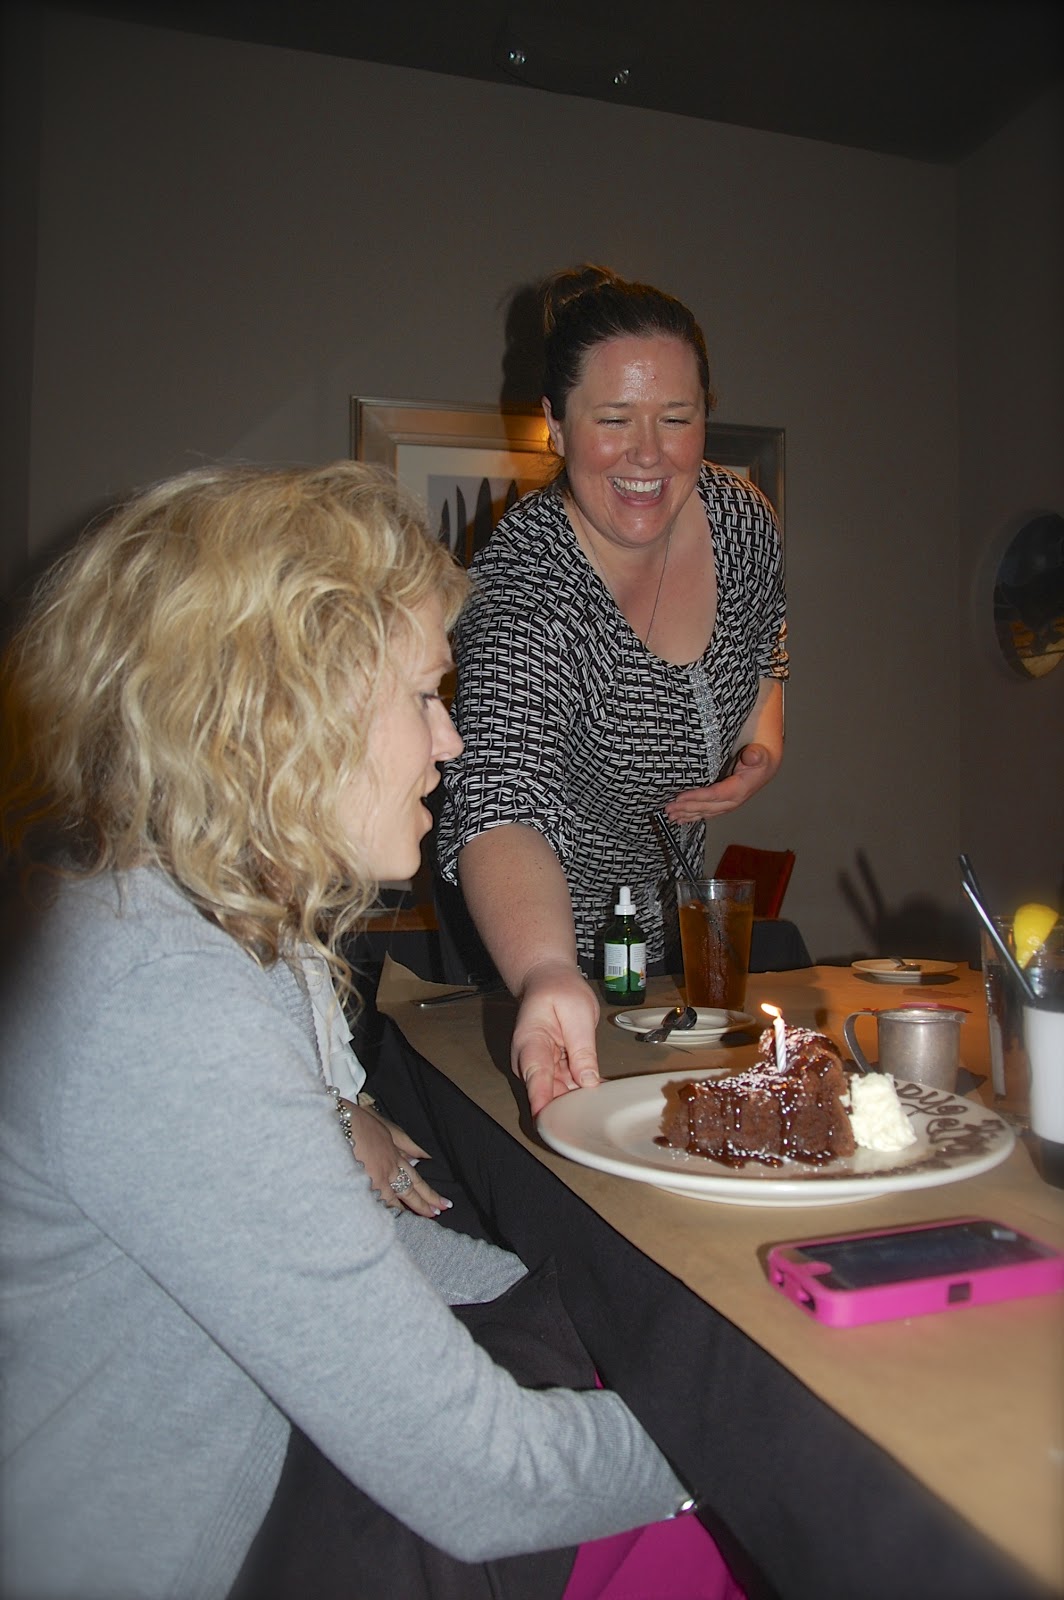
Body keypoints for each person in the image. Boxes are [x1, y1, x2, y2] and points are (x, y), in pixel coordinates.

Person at [0, 463, 743, 1600]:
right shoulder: (162, 997)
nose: (451, 741)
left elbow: (349, 1252)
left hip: (267, 1476)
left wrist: (555, 1308)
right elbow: (480, 1480)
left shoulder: (208, 929)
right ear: (287, 712)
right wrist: (738, 1449)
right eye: (422, 698)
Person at [437, 265, 788, 1114]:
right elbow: (499, 798)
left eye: (677, 417)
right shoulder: (527, 584)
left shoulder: (742, 522)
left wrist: (764, 748)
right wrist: (546, 970)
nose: (649, 452)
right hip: (531, 934)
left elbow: (770, 644)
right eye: (614, 419)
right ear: (555, 425)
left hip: (663, 919)